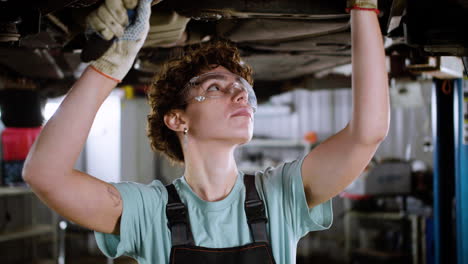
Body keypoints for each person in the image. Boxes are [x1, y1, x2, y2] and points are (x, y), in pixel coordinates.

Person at [22, 0, 390, 263]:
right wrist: (109, 68)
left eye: (241, 88)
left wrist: (364, 6)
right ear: (177, 119)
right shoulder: (149, 212)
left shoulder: (279, 196)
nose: (238, 93)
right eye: (215, 87)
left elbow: (367, 133)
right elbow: (45, 175)